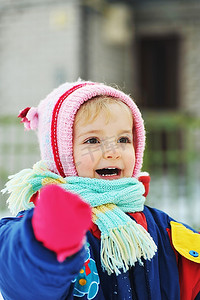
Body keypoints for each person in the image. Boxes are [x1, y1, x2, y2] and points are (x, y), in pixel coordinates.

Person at [0, 79, 200, 300]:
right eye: (93, 140)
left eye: (124, 139)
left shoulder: (164, 231)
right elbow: (24, 284)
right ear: (60, 153)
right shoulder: (35, 229)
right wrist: (46, 241)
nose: (113, 151)